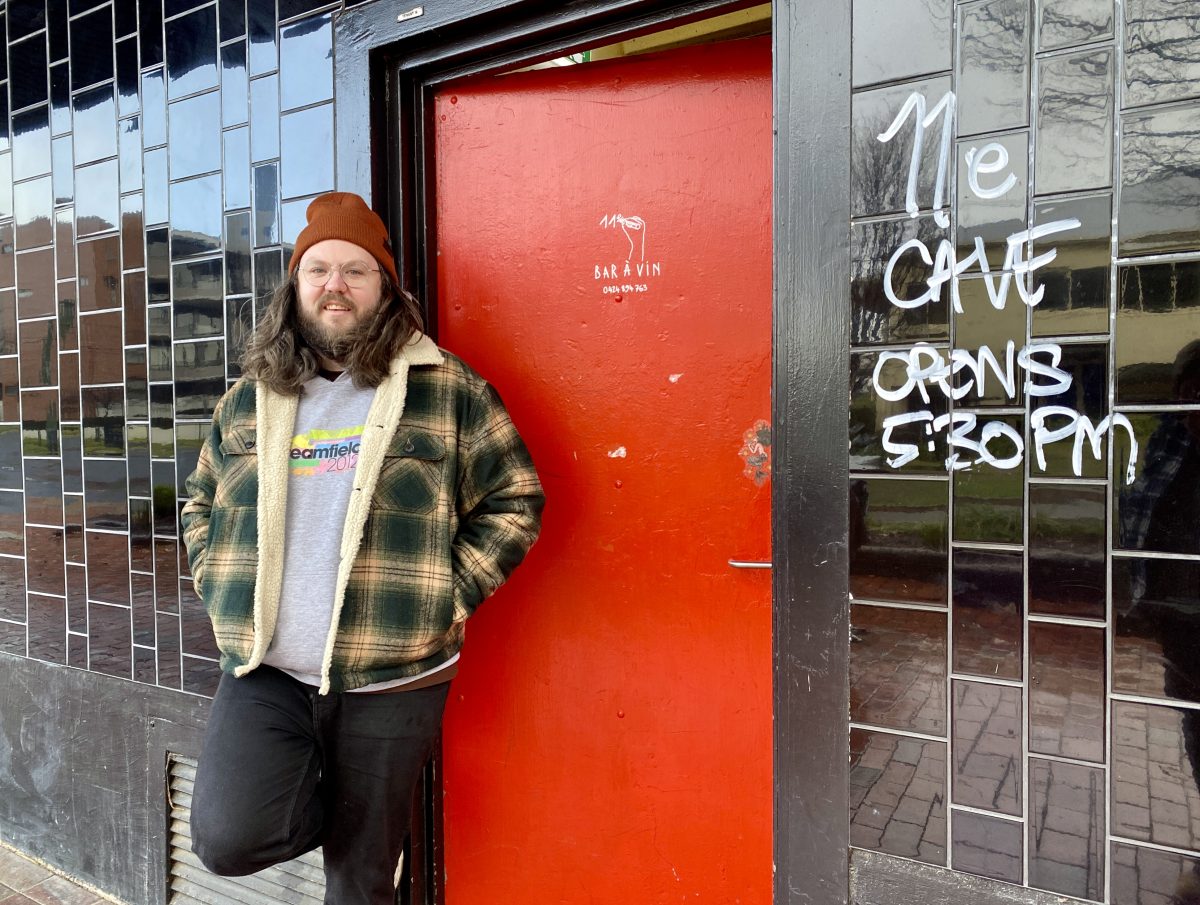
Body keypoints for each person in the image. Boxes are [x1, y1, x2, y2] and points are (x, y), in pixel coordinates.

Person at [181, 191, 544, 903]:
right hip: (269, 670)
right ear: (296, 286)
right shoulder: (250, 397)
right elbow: (201, 499)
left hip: (394, 675)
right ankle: (342, 809)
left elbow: (516, 498)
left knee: (361, 878)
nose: (335, 285)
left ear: (384, 287)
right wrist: (218, 580)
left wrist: (446, 592)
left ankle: (364, 834)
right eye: (319, 269)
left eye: (356, 270)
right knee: (226, 836)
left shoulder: (448, 390)